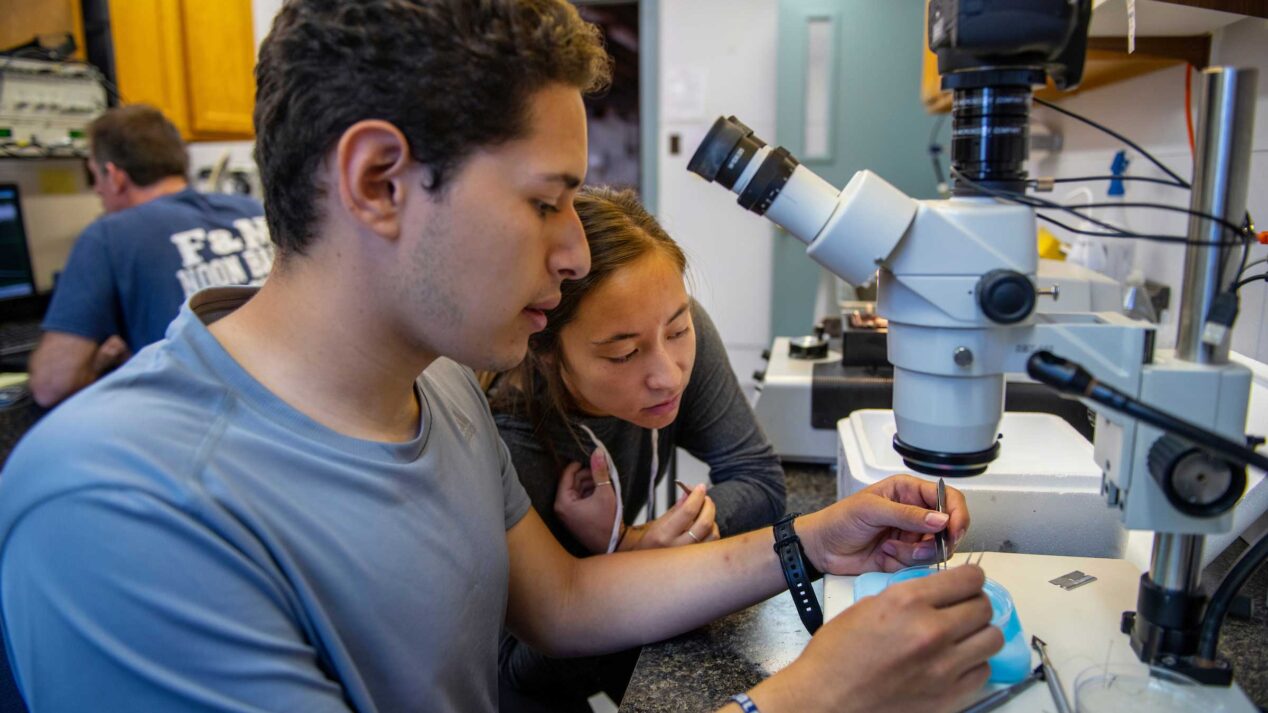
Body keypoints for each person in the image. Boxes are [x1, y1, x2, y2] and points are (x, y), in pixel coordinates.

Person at [0, 3, 998, 713]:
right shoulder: (120, 503)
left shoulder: (433, 384)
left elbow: (562, 603)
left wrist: (814, 540)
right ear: (381, 180)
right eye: (543, 200)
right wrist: (807, 698)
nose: (572, 253)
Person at [490, 186, 785, 710]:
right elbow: (518, 668)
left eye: (679, 330)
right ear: (546, 352)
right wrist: (616, 555)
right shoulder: (511, 441)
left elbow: (759, 480)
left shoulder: (662, 326)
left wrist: (642, 544)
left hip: (629, 639)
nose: (667, 374)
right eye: (623, 354)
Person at [28, 104, 272, 407]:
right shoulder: (251, 210)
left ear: (114, 176)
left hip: (201, 424)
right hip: (289, 409)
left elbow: (53, 384)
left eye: (95, 177)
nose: (97, 192)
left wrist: (99, 362)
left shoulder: (109, 235)